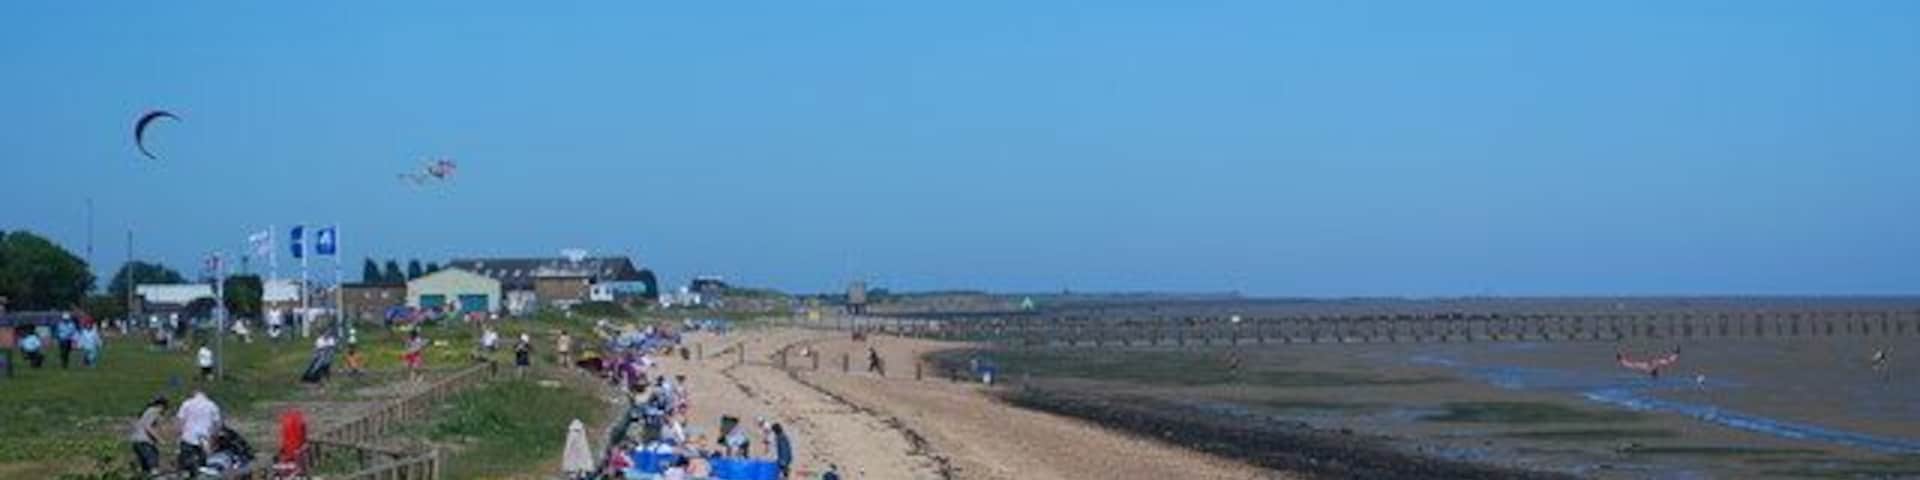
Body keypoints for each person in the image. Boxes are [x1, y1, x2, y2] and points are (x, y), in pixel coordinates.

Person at [176, 390, 222, 471]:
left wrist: (178, 436)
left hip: (188, 438)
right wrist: (214, 439)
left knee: (185, 464)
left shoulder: (187, 403)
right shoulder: (212, 405)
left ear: (194, 395)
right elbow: (217, 425)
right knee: (202, 465)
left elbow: (180, 422)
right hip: (204, 440)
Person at [128, 396, 168, 476]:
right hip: (144, 441)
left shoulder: (147, 411)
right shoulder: (155, 411)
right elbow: (147, 426)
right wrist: (159, 439)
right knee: (153, 464)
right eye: (165, 408)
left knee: (145, 467)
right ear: (161, 406)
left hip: (136, 441)